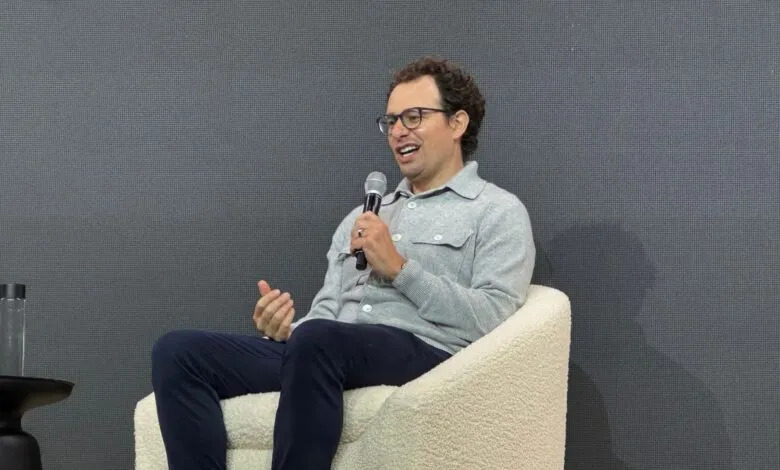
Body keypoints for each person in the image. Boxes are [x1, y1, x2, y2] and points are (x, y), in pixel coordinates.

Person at [151, 56, 535, 470]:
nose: (398, 131)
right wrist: (286, 330)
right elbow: (326, 314)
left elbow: (492, 319)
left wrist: (401, 270)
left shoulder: (495, 211)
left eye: (414, 117)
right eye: (391, 121)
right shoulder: (363, 216)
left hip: (425, 351)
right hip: (328, 349)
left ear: (457, 123)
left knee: (320, 341)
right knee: (178, 351)